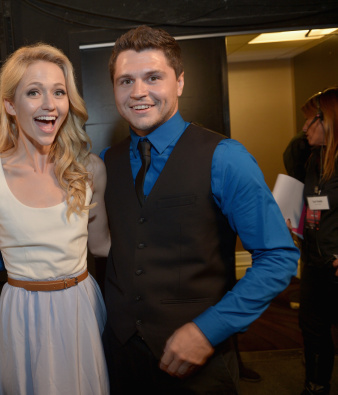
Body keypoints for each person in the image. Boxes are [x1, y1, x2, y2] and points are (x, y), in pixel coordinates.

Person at [100, 25, 300, 393]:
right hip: (121, 360)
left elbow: (278, 256)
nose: (138, 91)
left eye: (153, 77)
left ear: (179, 82)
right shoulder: (104, 164)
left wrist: (208, 330)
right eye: (125, 81)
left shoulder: (225, 158)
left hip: (200, 370)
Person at [0, 43, 111, 394]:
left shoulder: (89, 170)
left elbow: (103, 246)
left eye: (59, 92)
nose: (50, 104)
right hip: (22, 314)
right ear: (10, 105)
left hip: (80, 307)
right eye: (34, 92)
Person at [298, 87, 338, 395]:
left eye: (310, 120)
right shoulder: (315, 160)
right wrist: (297, 228)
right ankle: (316, 384)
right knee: (311, 326)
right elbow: (313, 204)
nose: (303, 128)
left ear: (329, 121)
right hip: (313, 259)